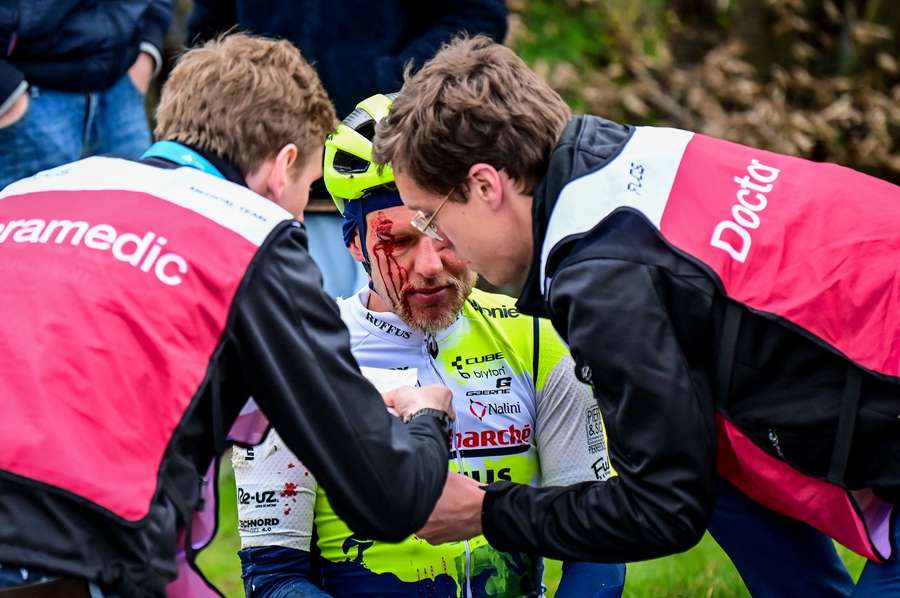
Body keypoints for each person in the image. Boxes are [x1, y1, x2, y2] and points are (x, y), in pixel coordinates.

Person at [372, 35, 900, 592]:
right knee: (708, 447)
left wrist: (486, 513)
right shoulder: (625, 156)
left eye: (432, 217)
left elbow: (662, 508)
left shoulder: (604, 278)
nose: (438, 245)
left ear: (485, 184)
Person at [0, 34, 453, 598]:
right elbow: (392, 498)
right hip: (54, 542)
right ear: (284, 166)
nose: (296, 210)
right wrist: (426, 417)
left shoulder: (33, 191)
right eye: (309, 188)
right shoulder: (250, 233)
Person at [231, 93, 626, 598]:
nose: (431, 266)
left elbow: (597, 547)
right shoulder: (297, 356)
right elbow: (273, 578)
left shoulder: (537, 338)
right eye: (398, 242)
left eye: (444, 235)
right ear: (353, 245)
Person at [185, 1, 508, 298]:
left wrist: (388, 82)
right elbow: (208, 31)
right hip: (264, 190)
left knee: (393, 345)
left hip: (394, 194)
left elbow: (476, 16)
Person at [0, 0, 172, 189]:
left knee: (134, 214)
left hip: (121, 93)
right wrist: (8, 95)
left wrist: (149, 43)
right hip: (28, 106)